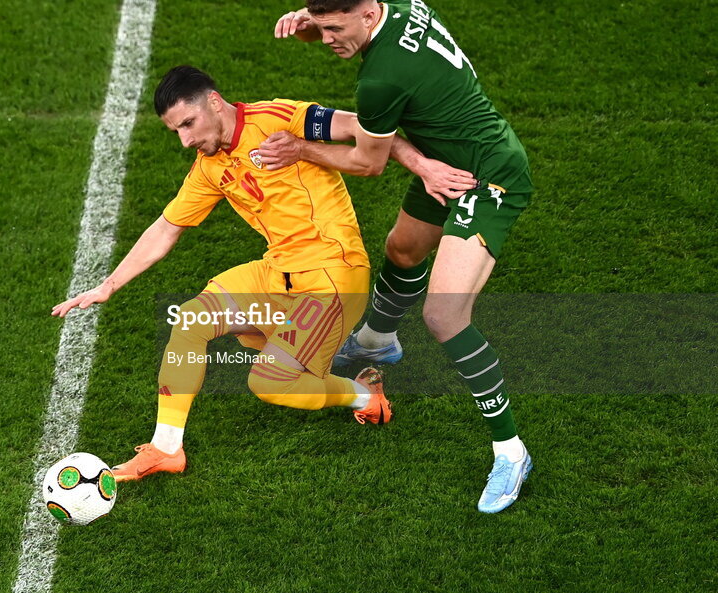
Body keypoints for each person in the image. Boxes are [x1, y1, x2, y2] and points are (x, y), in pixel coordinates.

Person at [51, 65, 474, 482]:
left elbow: (366, 129)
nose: (185, 140)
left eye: (188, 124)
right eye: (176, 131)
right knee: (191, 323)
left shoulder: (279, 117)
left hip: (332, 277)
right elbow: (166, 228)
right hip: (277, 271)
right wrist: (107, 286)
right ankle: (166, 449)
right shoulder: (209, 166)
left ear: (214, 104)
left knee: (271, 383)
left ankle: (363, 394)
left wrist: (421, 165)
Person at [269, 0, 534, 513]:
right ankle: (375, 341)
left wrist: (300, 149)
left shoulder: (380, 79)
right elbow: (354, 24)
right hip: (448, 162)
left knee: (444, 316)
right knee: (403, 249)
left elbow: (367, 162)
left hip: (488, 176)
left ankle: (511, 450)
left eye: (337, 30)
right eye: (324, 28)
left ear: (368, 15)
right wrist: (312, 21)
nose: (329, 41)